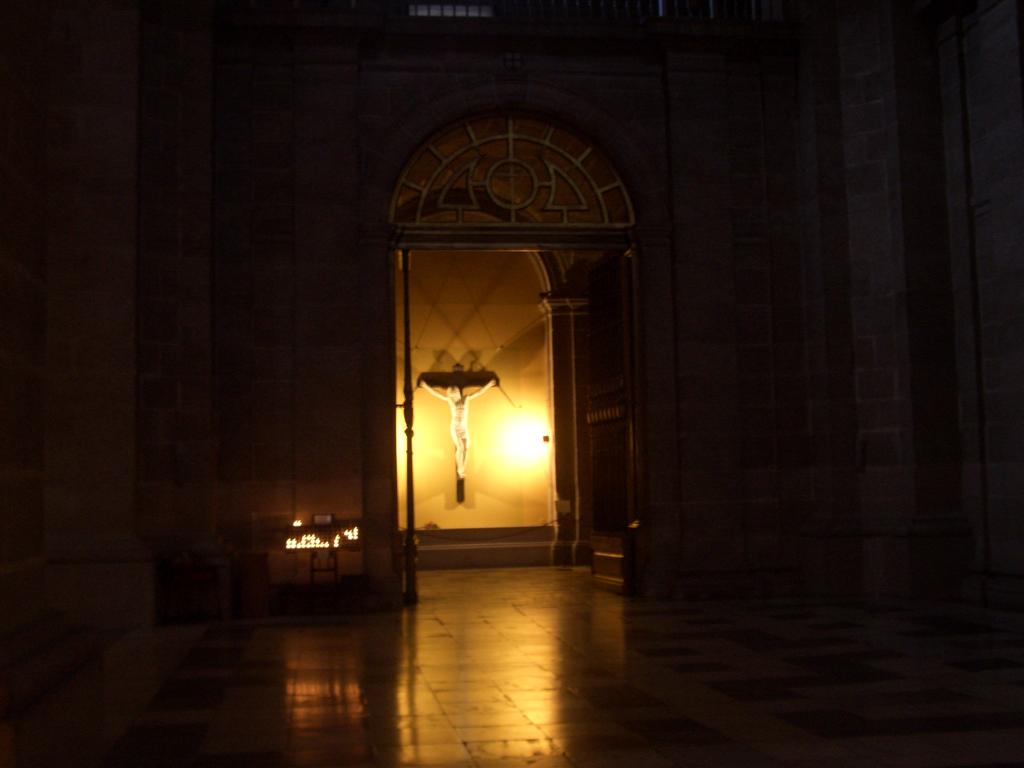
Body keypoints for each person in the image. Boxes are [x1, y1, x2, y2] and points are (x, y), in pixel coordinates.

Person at [417, 366, 498, 481]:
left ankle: (462, 470)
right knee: (460, 447)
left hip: (464, 427)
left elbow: (478, 392)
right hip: (455, 428)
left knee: (467, 448)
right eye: (452, 393)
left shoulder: (465, 399)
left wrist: (489, 385)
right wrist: (425, 386)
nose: (454, 395)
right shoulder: (450, 401)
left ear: (458, 393)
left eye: (455, 392)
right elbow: (436, 394)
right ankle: (460, 470)